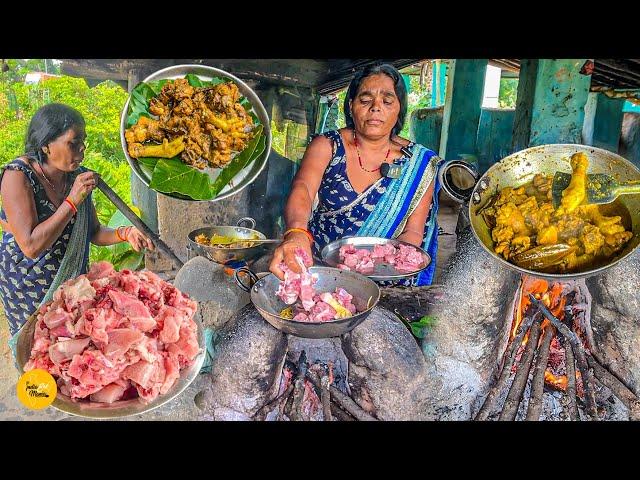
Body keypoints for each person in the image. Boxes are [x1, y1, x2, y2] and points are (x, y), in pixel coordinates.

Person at [269, 63, 442, 286]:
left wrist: (377, 267)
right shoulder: (327, 146)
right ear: (351, 106)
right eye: (365, 100)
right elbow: (303, 189)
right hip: (320, 272)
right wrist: (296, 232)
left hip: (384, 279)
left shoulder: (418, 163)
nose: (376, 107)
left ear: (399, 109)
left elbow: (413, 233)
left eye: (387, 101)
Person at [0, 103, 154, 337]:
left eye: (83, 141)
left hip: (69, 283)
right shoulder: (18, 176)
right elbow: (31, 246)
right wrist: (72, 201)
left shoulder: (75, 177)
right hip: (28, 286)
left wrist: (125, 233)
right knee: (36, 349)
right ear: (45, 145)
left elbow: (93, 232)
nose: (81, 149)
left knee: (69, 348)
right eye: (73, 143)